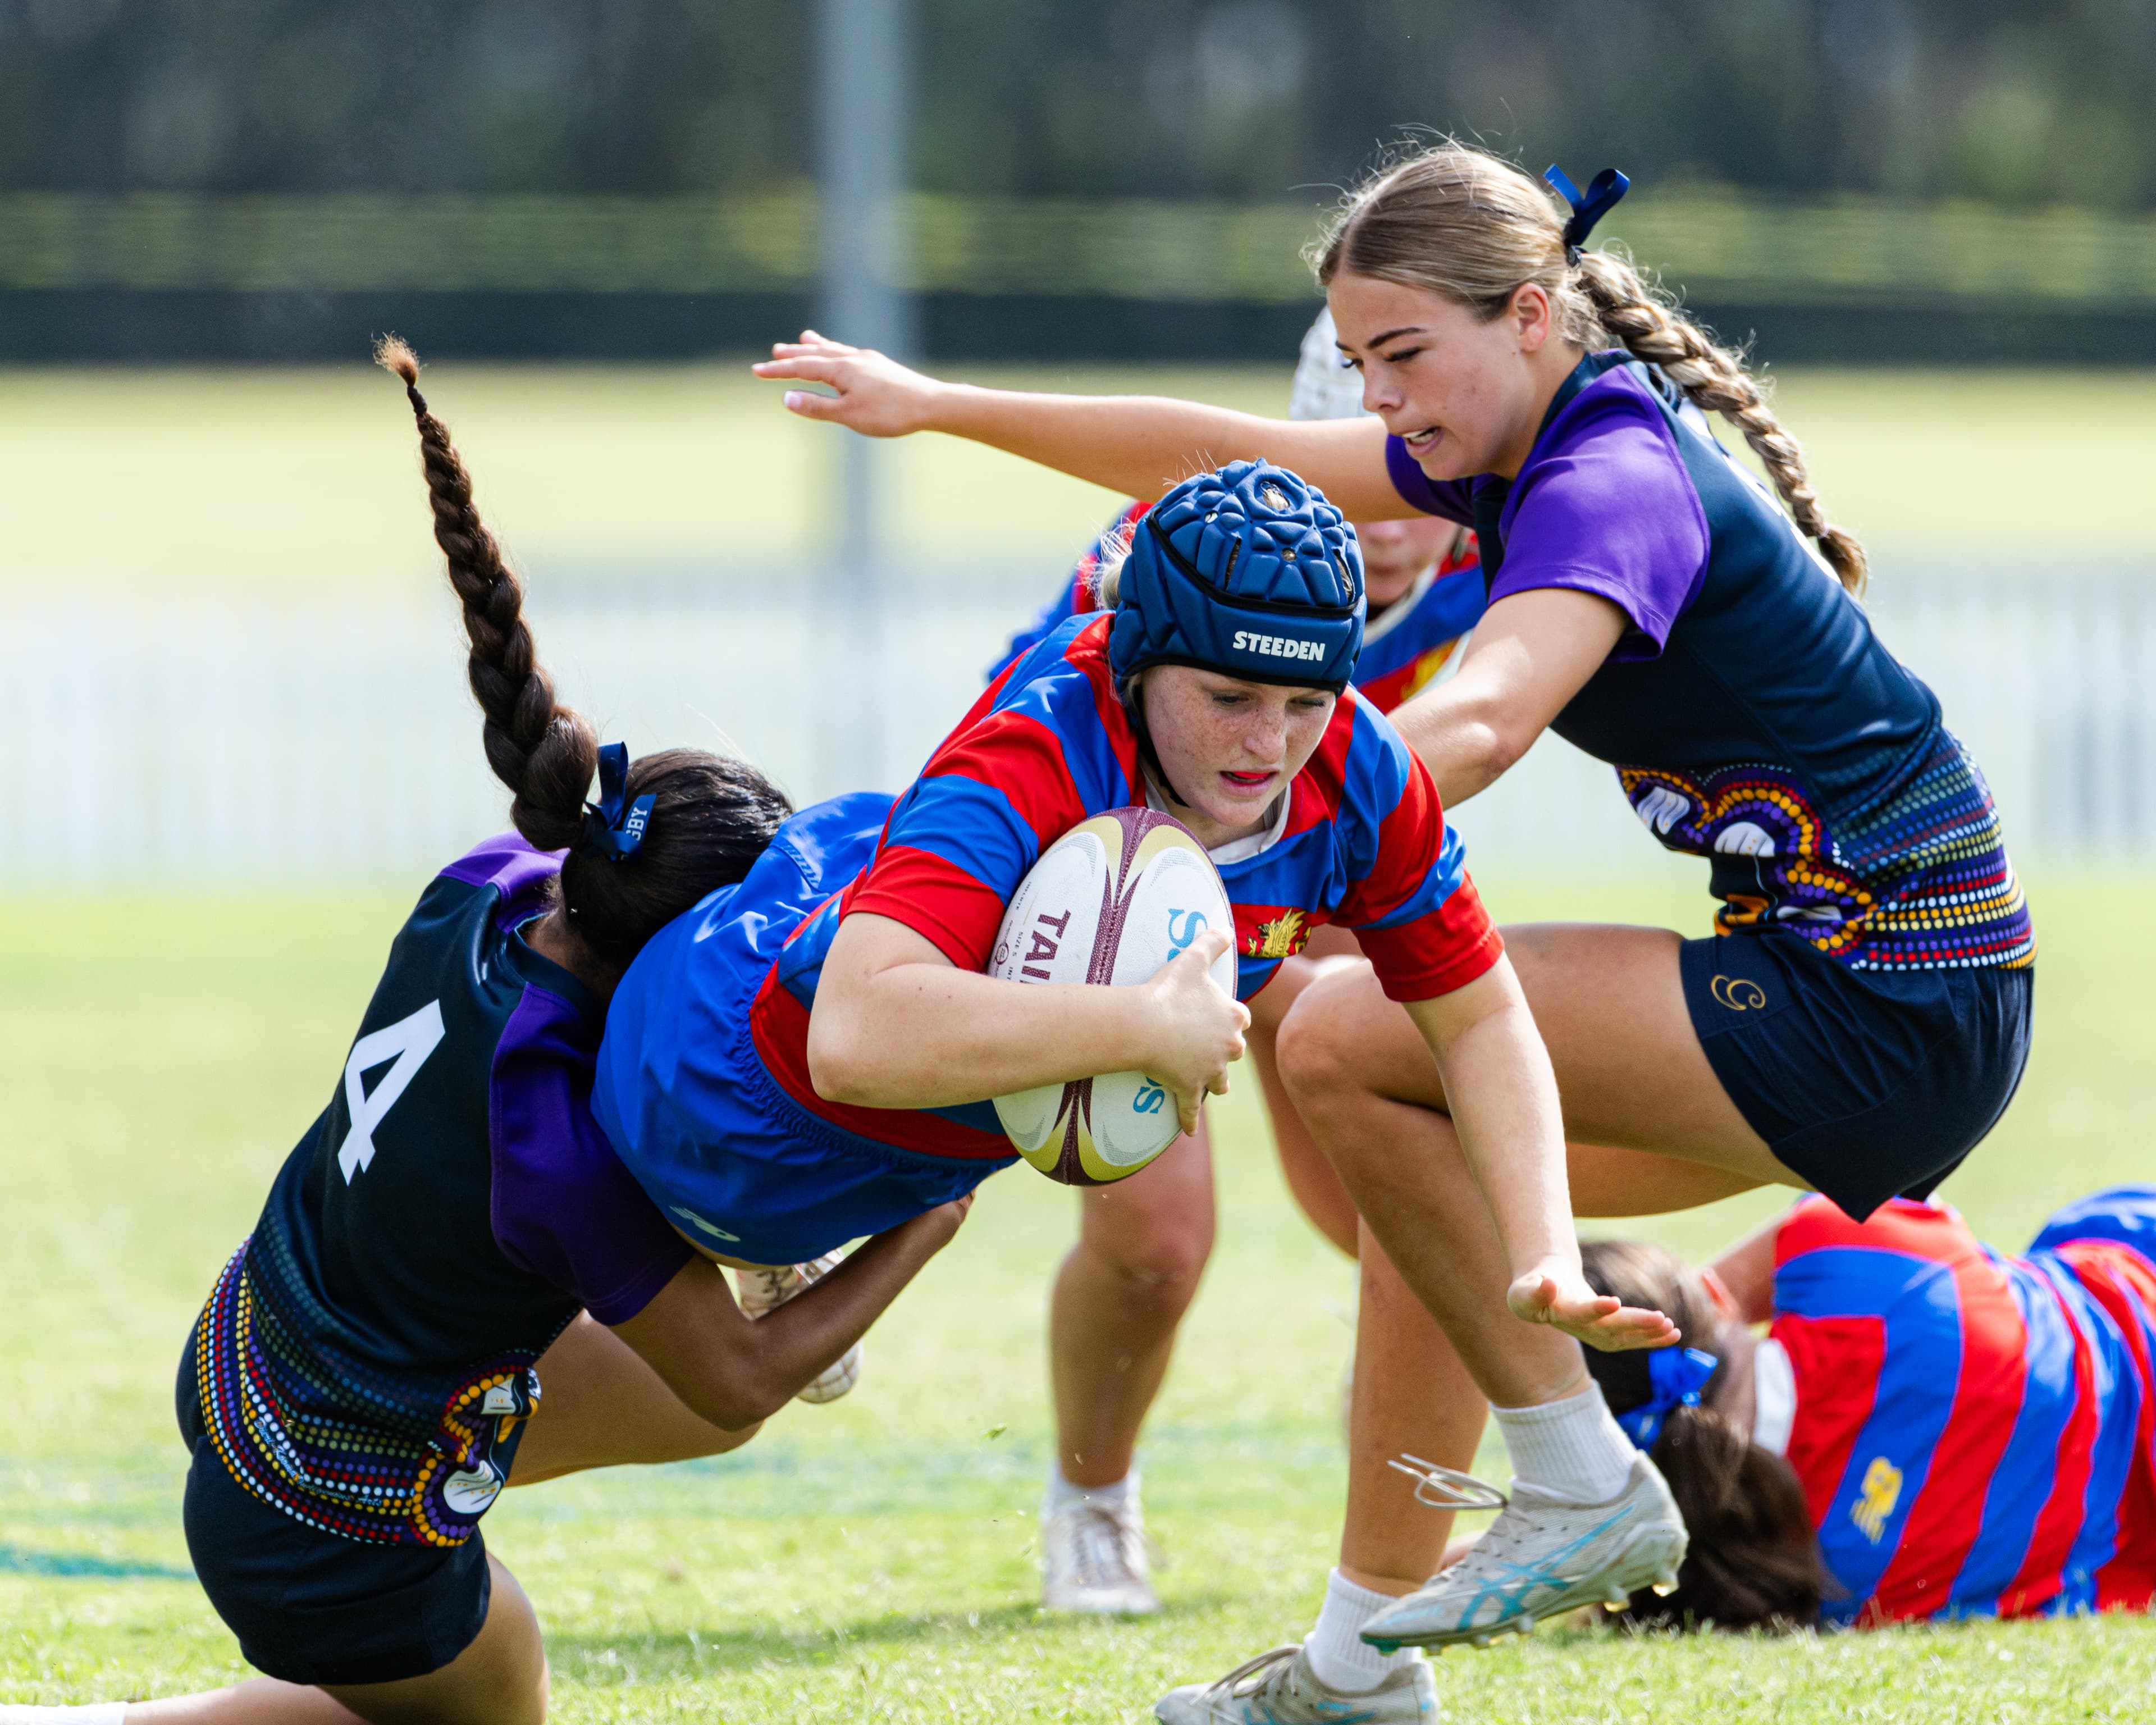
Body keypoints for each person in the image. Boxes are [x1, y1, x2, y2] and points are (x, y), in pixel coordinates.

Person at [750, 140, 2035, 1720]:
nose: (1384, 404)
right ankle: (1361, 1676)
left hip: (1886, 991)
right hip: (1877, 992)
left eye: (1405, 358)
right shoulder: (1501, 446)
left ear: (1537, 318)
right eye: (1362, 366)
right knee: (1427, 1201)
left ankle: (1572, 1478)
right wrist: (937, 403)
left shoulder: (1612, 475)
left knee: (1355, 1032)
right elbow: (1221, 448)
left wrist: (1221, 845)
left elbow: (1482, 722)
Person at [594, 455, 1684, 1718]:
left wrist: (1544, 1250)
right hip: (711, 1094)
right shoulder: (1035, 746)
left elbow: (1482, 1011)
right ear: (1136, 660)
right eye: (1228, 697)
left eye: (1304, 701)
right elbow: (849, 1032)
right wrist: (1137, 1025)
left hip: (919, 1146)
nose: (1269, 746)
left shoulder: (1358, 768)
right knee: (642, 1392)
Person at [0, 343, 974, 1725]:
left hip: (259, 1350)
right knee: (507, 1674)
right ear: (673, 965)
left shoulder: (495, 882)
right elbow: (749, 1353)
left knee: (703, 1409)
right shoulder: (556, 1138)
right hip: (322, 1502)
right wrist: (936, 1191)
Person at [990, 309, 1487, 1616]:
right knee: (1158, 1238)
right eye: (1356, 455)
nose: (1386, 504)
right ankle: (1090, 1487)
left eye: (1416, 453)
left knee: (1387, 1193)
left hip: (1326, 881)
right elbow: (1022, 720)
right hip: (1149, 875)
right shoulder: (1187, 549)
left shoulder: (1501, 556)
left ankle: (1406, 1470)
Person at [1570, 1186, 2156, 1628]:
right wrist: (1681, 1311)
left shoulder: (1798, 1576)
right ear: (1714, 1299)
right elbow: (1858, 1187)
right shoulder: (1854, 1259)